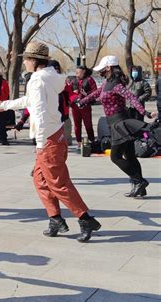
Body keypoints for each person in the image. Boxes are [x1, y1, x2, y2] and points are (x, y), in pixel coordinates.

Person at [0, 42, 101, 242]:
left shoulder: (37, 80)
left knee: (58, 183)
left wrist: (40, 143)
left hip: (48, 138)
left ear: (34, 61)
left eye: (25, 59)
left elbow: (40, 113)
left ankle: (85, 218)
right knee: (39, 179)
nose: (24, 63)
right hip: (56, 134)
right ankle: (55, 219)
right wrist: (4, 105)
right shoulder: (51, 77)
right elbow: (30, 101)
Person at [78, 55, 157, 198]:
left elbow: (132, 98)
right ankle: (139, 188)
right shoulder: (106, 83)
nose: (99, 71)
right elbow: (95, 94)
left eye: (102, 69)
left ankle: (139, 181)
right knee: (130, 156)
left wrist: (144, 112)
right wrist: (82, 101)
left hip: (120, 123)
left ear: (108, 68)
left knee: (115, 157)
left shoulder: (117, 84)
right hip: (115, 123)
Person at [71, 65, 97, 148]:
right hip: (75, 106)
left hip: (85, 105)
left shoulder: (89, 80)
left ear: (84, 72)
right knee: (76, 125)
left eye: (78, 72)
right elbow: (68, 92)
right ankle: (78, 142)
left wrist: (86, 94)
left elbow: (95, 92)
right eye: (76, 72)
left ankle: (91, 140)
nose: (77, 74)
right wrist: (73, 95)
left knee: (88, 124)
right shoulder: (73, 80)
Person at [48, 60, 73, 146]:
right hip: (51, 116)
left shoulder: (63, 81)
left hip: (64, 114)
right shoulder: (45, 82)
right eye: (54, 69)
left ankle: (66, 142)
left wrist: (76, 99)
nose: (57, 70)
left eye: (58, 68)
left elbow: (71, 94)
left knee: (66, 137)